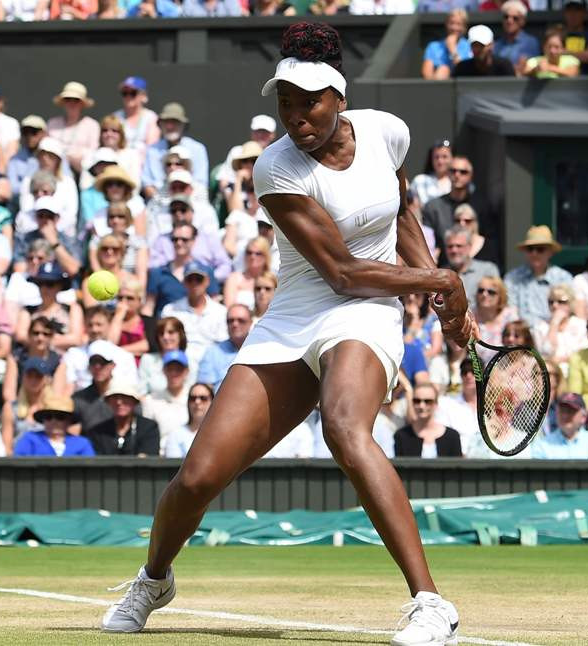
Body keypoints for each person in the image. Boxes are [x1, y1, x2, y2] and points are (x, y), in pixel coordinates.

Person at [100, 23, 473, 644]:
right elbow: (343, 271)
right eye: (286, 103)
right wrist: (441, 278)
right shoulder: (275, 167)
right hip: (304, 308)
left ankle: (431, 603)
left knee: (345, 427)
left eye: (310, 102)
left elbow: (401, 211)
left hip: (366, 315)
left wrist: (435, 285)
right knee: (197, 478)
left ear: (339, 97)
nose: (296, 117)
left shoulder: (387, 132)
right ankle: (155, 577)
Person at [421, 156, 500, 267]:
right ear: (448, 174)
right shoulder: (433, 207)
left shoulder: (482, 205)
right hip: (443, 267)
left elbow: (491, 241)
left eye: (463, 172)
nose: (457, 175)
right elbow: (426, 242)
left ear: (471, 176)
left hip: (477, 268)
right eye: (453, 171)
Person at [159, 262, 229, 364]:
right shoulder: (170, 310)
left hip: (211, 364)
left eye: (198, 279)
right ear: (184, 283)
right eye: (190, 279)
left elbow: (223, 344)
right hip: (179, 363)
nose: (194, 283)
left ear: (207, 281)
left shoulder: (221, 312)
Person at [504, 226, 573, 327]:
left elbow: (568, 311)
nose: (534, 253)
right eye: (530, 249)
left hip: (555, 331)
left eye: (540, 249)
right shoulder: (513, 278)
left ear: (550, 252)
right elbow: (510, 311)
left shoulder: (563, 278)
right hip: (524, 335)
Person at [141, 103, 209, 198]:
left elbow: (201, 184)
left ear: (183, 125)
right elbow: (147, 185)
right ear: (160, 124)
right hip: (159, 203)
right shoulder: (152, 150)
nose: (170, 126)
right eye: (166, 122)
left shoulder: (198, 149)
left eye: (174, 122)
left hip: (190, 203)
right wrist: (163, 203)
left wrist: (180, 204)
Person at [531, 392, 588, 459]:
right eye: (562, 411)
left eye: (571, 411)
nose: (565, 415)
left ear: (583, 417)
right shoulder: (542, 445)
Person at [90, 381, 160, 456]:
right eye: (115, 397)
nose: (119, 402)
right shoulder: (98, 432)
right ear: (108, 402)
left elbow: (148, 457)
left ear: (134, 401)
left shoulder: (148, 428)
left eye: (125, 397)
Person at [13, 393, 95, 457]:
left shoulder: (82, 444)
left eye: (60, 417)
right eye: (48, 417)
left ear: (69, 421)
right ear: (43, 419)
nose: (54, 421)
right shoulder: (30, 439)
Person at [394, 383, 462, 458]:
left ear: (436, 404)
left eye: (428, 401)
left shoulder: (452, 437)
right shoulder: (401, 436)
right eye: (417, 401)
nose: (421, 406)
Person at [140, 350, 192, 448]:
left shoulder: (196, 398)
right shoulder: (151, 400)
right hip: (162, 455)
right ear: (164, 370)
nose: (174, 373)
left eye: (178, 369)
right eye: (170, 369)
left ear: (186, 371)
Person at [531, 284, 588, 370]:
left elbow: (584, 353)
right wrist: (554, 323)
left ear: (571, 303)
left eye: (561, 302)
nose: (555, 305)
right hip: (551, 373)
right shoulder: (540, 327)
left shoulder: (581, 325)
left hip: (576, 370)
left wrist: (560, 360)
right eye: (551, 302)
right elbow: (546, 352)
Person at [47, 81, 99, 175]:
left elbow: (93, 154)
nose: (72, 103)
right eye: (68, 99)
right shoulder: (53, 124)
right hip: (54, 172)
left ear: (82, 104)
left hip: (82, 173)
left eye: (76, 100)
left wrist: (73, 157)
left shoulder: (92, 125)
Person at [197, 304, 252, 391]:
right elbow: (204, 390)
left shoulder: (259, 351)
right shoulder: (212, 353)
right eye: (230, 321)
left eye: (241, 320)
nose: (235, 324)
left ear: (250, 322)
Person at [443, 227, 497, 305]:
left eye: (459, 246)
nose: (454, 250)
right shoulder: (442, 273)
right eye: (450, 246)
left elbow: (496, 302)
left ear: (469, 247)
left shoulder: (487, 270)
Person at [111, 76, 160, 155]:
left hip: (143, 162)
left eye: (133, 93)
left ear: (143, 96)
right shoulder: (116, 117)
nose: (128, 96)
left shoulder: (151, 117)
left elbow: (152, 146)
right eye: (125, 93)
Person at [163, 382, 213, 458]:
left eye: (203, 398)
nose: (197, 402)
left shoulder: (222, 434)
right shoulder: (175, 435)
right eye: (193, 398)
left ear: (213, 401)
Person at [422, 10, 472, 81]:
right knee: (443, 70)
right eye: (451, 23)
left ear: (464, 27)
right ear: (446, 24)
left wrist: (452, 48)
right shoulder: (433, 46)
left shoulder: (470, 46)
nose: (454, 28)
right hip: (437, 86)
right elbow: (427, 75)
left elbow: (465, 72)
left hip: (463, 85)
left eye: (458, 24)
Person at [560, 0, 588, 75]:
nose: (573, 14)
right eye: (569, 10)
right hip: (562, 79)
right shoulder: (558, 36)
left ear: (584, 13)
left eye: (577, 10)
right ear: (564, 14)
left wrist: (566, 53)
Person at [495, 1, 540, 71]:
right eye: (506, 17)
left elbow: (530, 68)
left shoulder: (531, 43)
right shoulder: (497, 45)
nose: (509, 21)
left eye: (515, 18)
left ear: (523, 21)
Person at [409, 139, 452, 207]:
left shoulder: (457, 182)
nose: (440, 161)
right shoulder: (419, 181)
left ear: (452, 158)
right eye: (436, 157)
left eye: (444, 157)